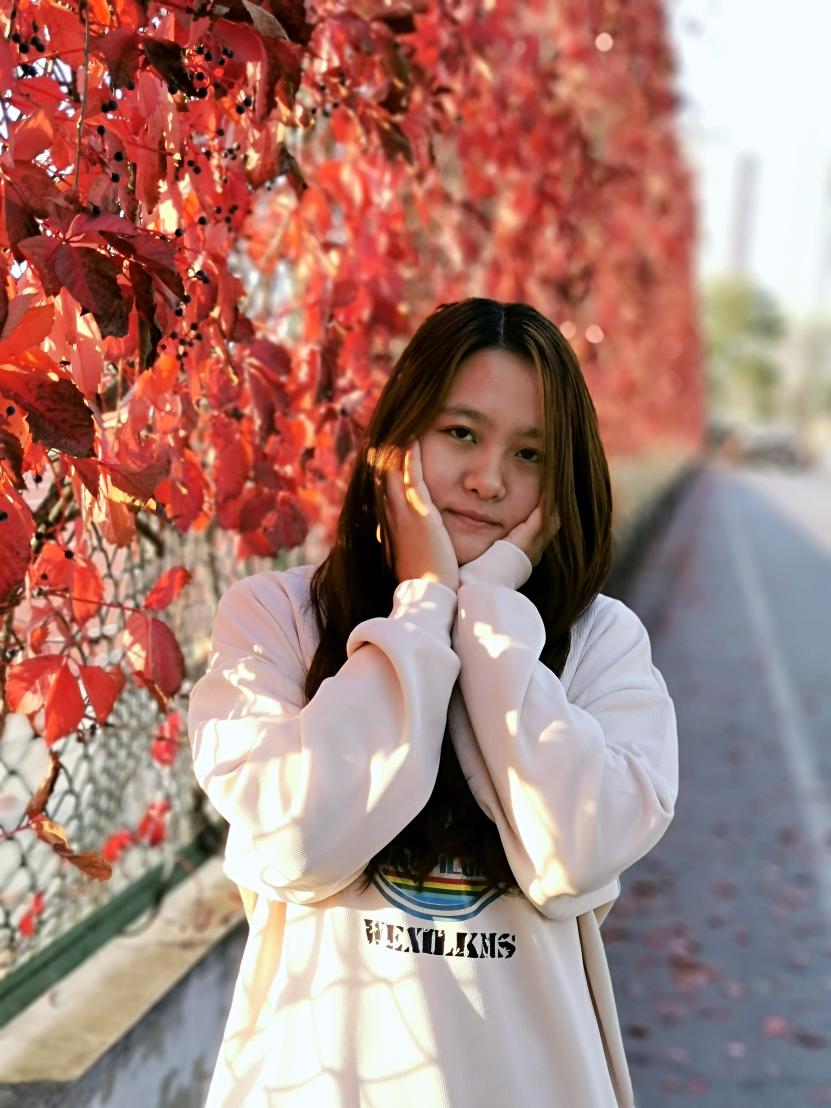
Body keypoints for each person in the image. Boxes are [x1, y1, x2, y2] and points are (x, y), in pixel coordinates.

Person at [187, 297, 679, 1108]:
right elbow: (299, 840)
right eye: (460, 434)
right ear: (397, 445)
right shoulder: (279, 620)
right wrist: (421, 607)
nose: (489, 479)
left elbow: (577, 853)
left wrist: (487, 614)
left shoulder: (599, 643)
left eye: (529, 454)